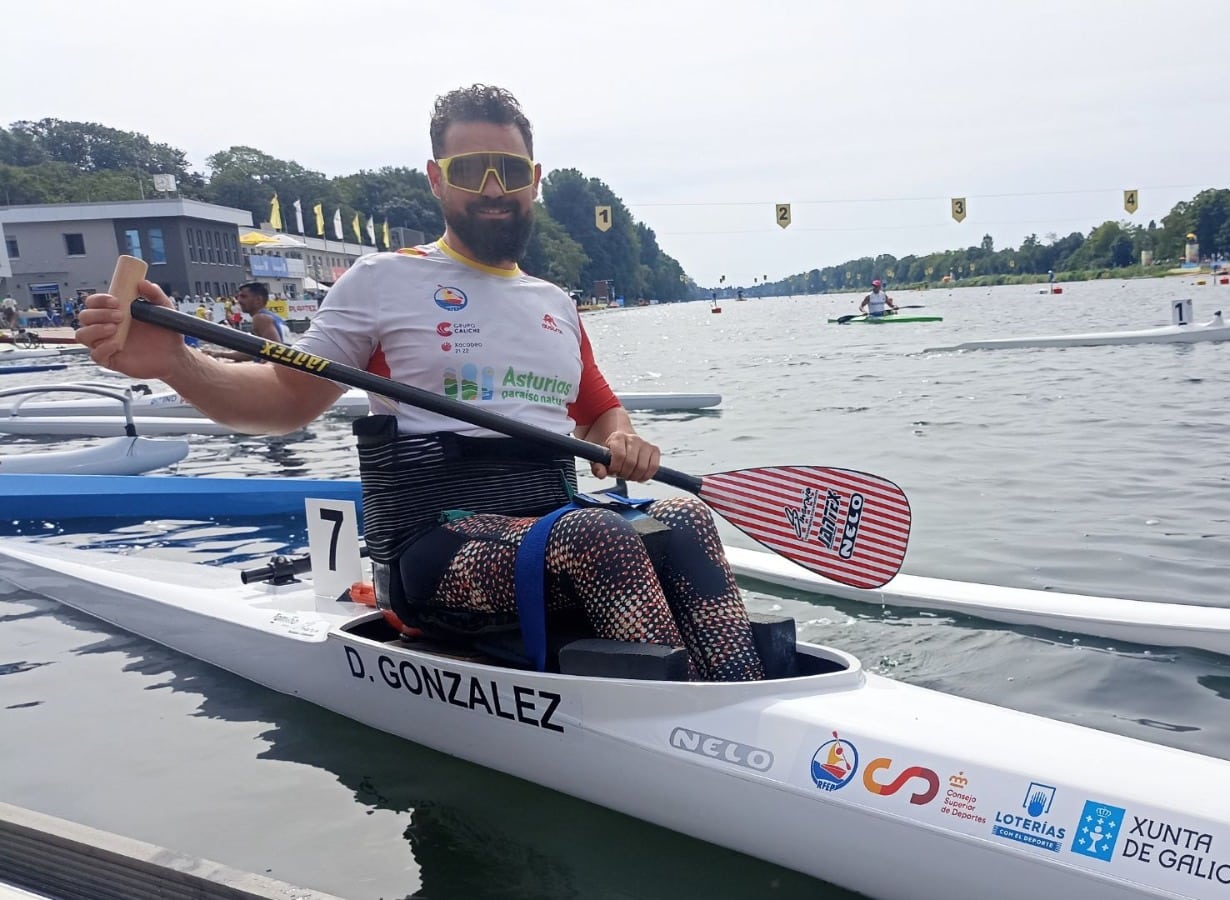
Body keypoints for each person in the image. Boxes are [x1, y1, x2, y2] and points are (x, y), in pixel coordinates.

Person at [76, 84, 764, 683]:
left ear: (535, 179)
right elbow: (286, 402)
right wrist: (176, 363)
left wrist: (625, 440)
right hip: (434, 546)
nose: (492, 188)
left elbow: (602, 415)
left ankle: (735, 697)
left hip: (549, 528)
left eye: (508, 170)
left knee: (684, 520)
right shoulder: (382, 280)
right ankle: (672, 723)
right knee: (603, 538)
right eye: (471, 171)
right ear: (438, 179)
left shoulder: (555, 301)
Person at [204, 283, 288, 361]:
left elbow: (275, 353)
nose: (239, 300)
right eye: (238, 297)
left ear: (258, 299)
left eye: (243, 297)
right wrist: (221, 354)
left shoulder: (260, 318)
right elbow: (253, 353)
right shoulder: (274, 317)